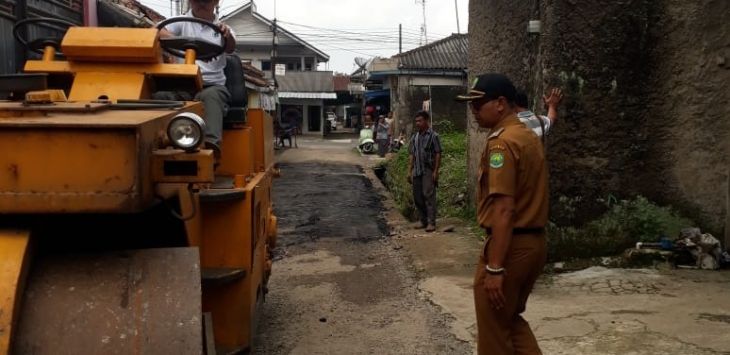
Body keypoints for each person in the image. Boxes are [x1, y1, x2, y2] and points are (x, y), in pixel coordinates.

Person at [456, 73, 549, 355]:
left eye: (478, 104)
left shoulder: (502, 143)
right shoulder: (527, 135)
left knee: (494, 333)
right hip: (532, 243)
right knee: (509, 321)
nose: (473, 111)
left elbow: (504, 208)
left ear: (500, 103)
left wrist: (494, 268)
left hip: (509, 247)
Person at [157, 0, 236, 159]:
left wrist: (227, 36)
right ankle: (157, 144)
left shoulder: (223, 30)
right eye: (196, 0)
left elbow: (230, 46)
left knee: (211, 97)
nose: (201, 4)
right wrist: (180, 43)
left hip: (211, 85)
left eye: (206, 0)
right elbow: (156, 31)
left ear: (215, 2)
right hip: (183, 85)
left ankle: (211, 147)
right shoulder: (180, 23)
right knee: (160, 97)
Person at [407, 110, 441, 232]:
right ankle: (423, 220)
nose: (418, 123)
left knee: (428, 196)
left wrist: (435, 171)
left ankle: (431, 222)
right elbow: (412, 154)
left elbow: (438, 153)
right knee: (418, 197)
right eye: (416, 121)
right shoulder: (414, 137)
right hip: (417, 170)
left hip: (428, 169)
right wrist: (409, 171)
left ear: (426, 121)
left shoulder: (433, 136)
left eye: (420, 121)